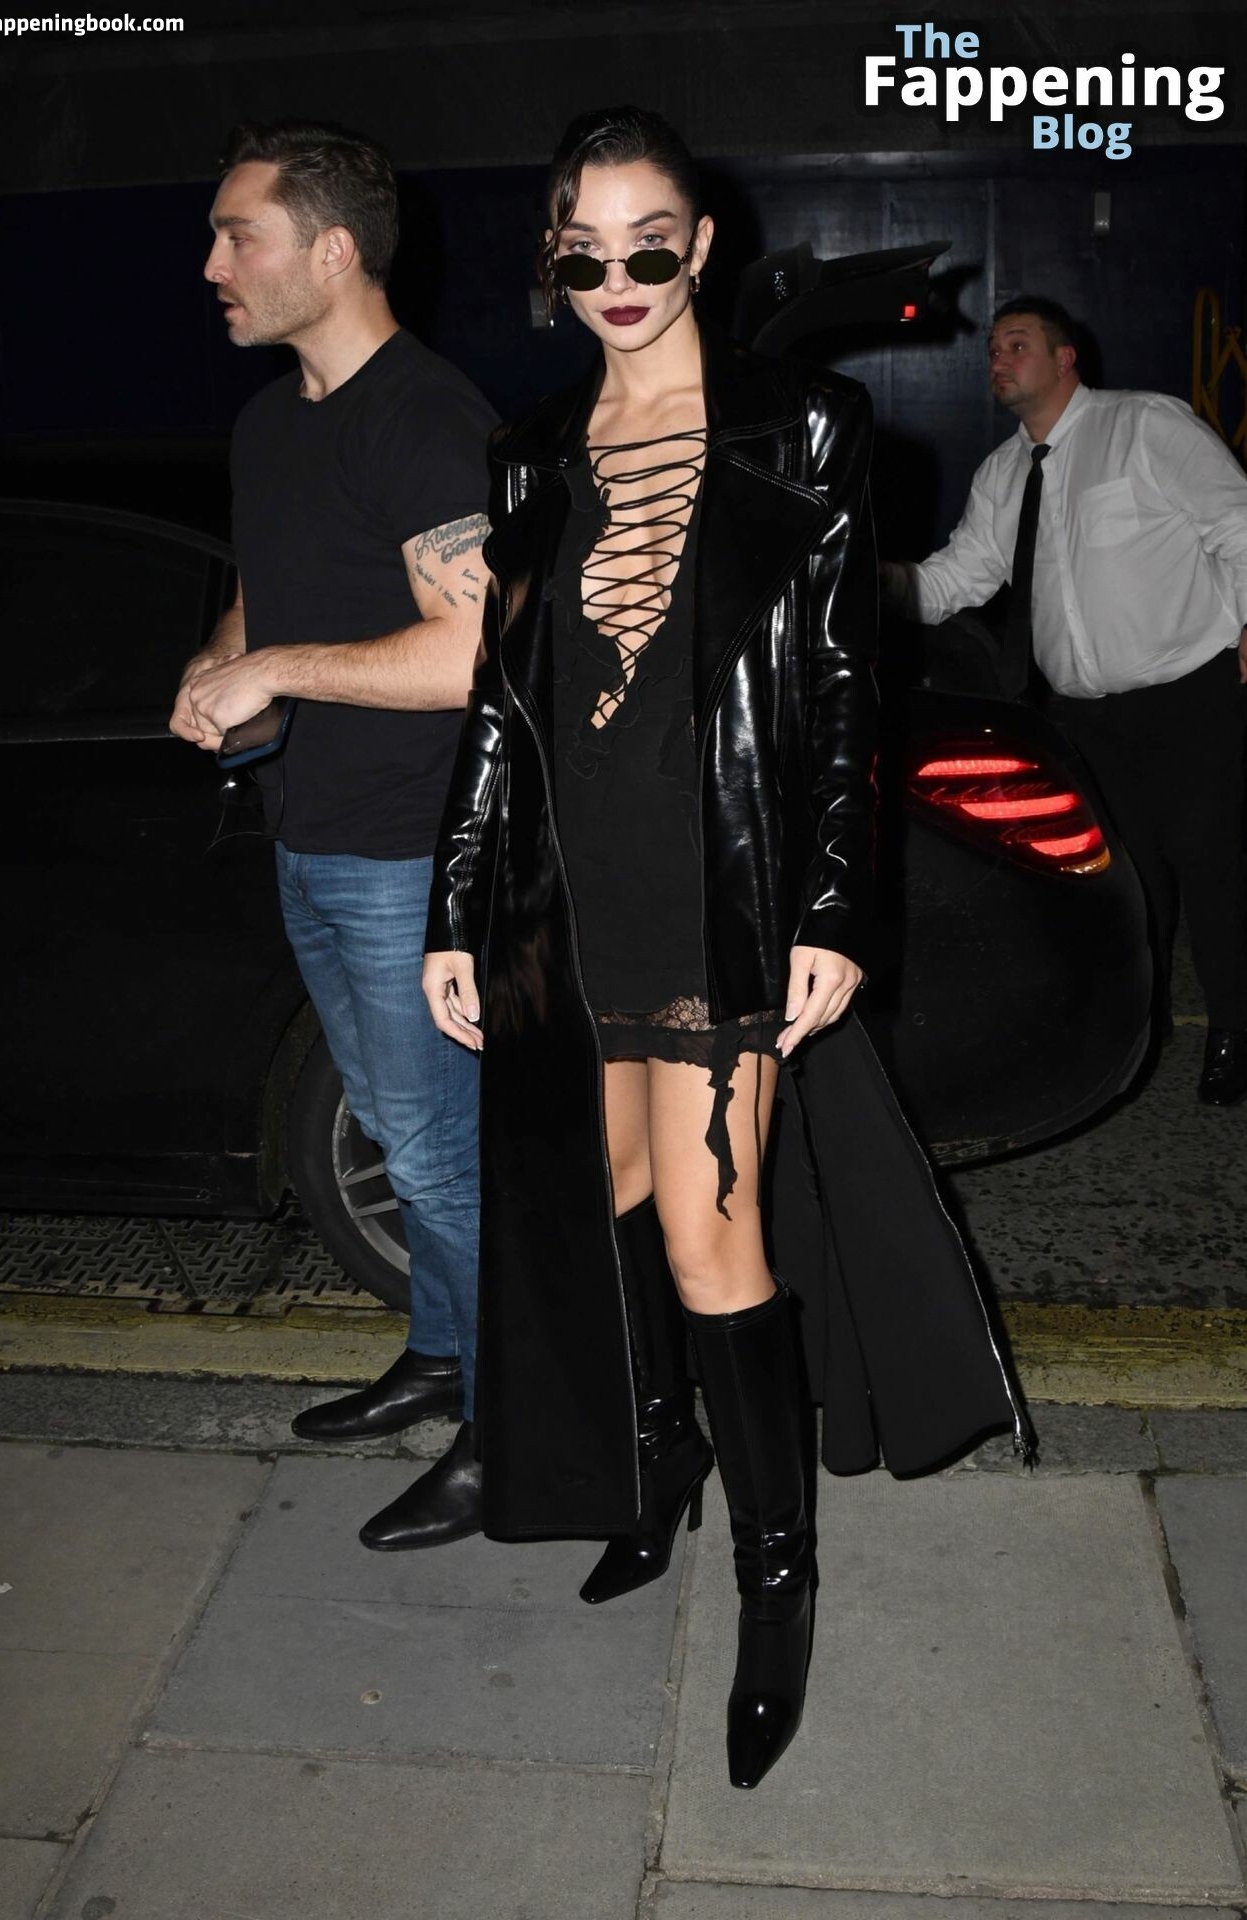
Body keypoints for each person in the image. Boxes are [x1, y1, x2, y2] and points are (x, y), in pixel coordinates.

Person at [422, 105, 1032, 1792]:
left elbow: (843, 687)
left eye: (649, 245)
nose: (618, 278)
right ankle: (658, 1463)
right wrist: (457, 907)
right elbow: (500, 701)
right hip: (565, 899)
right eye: (584, 253)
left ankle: (779, 1578)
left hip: (718, 894)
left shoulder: (798, 427)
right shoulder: (533, 451)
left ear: (699, 248)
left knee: (711, 1240)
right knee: (610, 1210)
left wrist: (832, 906)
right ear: (555, 261)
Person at [170, 119, 497, 1547]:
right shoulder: (269, 423)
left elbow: (474, 650)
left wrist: (280, 670)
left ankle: (510, 1431)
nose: (212, 266)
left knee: (438, 1155)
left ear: (334, 251)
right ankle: (439, 1356)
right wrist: (218, 667)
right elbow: (270, 586)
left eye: (238, 236)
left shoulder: (423, 416)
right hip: (311, 831)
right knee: (393, 1126)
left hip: (412, 856)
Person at [883, 296, 1247, 1106]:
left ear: (1064, 357)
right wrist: (872, 583)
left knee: (1209, 868)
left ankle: (1232, 1029)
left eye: (1016, 344)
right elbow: (956, 579)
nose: (997, 360)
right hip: (1085, 717)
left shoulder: (1143, 426)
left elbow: (1236, 522)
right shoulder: (1003, 472)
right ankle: (1142, 1029)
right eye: (991, 350)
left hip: (1187, 694)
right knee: (1128, 879)